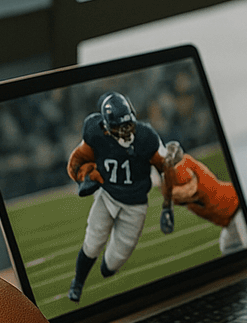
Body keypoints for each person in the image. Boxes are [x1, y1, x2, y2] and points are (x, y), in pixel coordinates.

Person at [65, 90, 172, 302]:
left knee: (113, 264)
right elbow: (75, 162)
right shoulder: (95, 133)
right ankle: (78, 282)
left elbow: (166, 169)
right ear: (105, 126)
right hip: (108, 196)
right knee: (92, 243)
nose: (124, 131)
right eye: (117, 127)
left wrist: (167, 205)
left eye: (128, 124)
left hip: (135, 205)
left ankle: (107, 268)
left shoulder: (147, 137)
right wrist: (83, 178)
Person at [160, 140, 247, 255]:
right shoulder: (176, 175)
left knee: (245, 247)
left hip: (238, 210)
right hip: (229, 219)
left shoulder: (186, 167)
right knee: (228, 248)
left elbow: (190, 189)